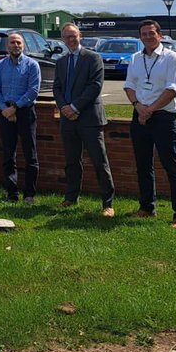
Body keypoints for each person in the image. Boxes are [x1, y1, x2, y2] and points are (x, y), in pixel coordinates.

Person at [125, 19, 176, 228]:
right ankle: (147, 207)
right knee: (143, 165)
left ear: (159, 35)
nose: (147, 37)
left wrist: (150, 109)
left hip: (163, 117)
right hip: (140, 116)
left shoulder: (172, 59)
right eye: (143, 34)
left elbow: (173, 89)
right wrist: (138, 106)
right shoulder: (135, 58)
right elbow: (129, 86)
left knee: (171, 165)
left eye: (151, 33)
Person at [53, 22, 114, 216]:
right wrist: (64, 107)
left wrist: (75, 107)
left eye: (74, 36)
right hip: (68, 119)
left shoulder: (93, 58)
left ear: (80, 36)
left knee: (99, 161)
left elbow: (95, 86)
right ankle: (71, 197)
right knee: (72, 161)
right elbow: (57, 88)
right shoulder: (61, 61)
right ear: (63, 39)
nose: (71, 40)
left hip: (89, 118)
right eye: (67, 37)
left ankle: (108, 204)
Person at [0, 32, 41, 204]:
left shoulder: (32, 65)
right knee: (8, 154)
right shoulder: (0, 66)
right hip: (5, 113)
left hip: (25, 112)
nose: (15, 45)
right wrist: (5, 109)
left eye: (18, 42)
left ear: (23, 45)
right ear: (7, 46)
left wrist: (15, 107)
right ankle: (12, 193)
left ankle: (29, 194)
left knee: (30, 155)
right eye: (12, 42)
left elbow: (33, 90)